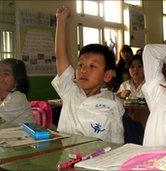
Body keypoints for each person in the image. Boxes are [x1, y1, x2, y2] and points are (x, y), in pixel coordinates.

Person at [51, 6, 124, 143]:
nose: (83, 70)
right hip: (64, 159)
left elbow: (117, 142)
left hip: (95, 161)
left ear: (107, 75)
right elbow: (61, 57)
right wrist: (61, 21)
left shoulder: (113, 104)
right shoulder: (70, 91)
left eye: (92, 66)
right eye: (80, 65)